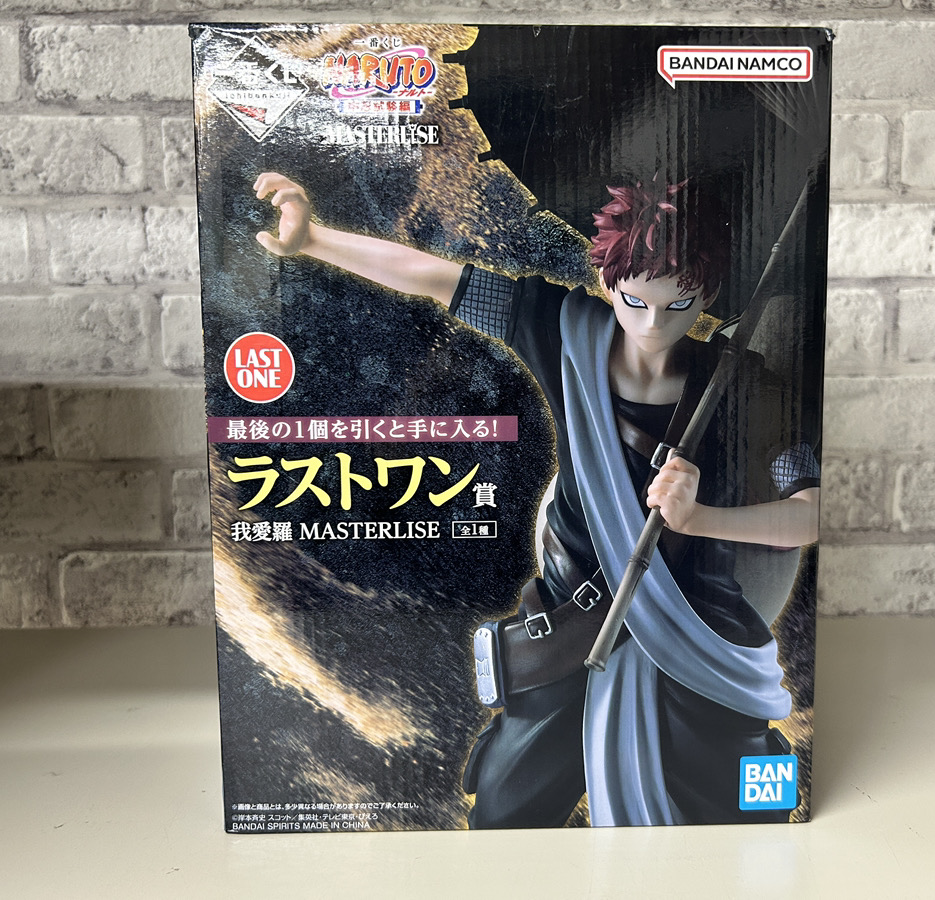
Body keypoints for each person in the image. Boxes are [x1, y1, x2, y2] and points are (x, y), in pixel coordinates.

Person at [254, 171, 821, 827]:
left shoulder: (742, 387)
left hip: (699, 641)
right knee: (503, 813)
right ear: (607, 281)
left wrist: (701, 518)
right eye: (635, 302)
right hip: (571, 628)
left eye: (680, 304)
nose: (654, 324)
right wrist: (314, 239)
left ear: (709, 294)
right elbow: (434, 278)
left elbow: (809, 514)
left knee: (749, 822)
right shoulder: (563, 330)